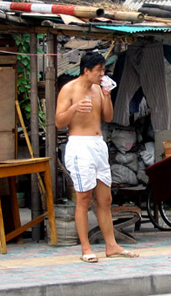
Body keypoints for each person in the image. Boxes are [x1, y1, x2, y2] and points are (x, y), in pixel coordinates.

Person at [56, 51, 139, 263]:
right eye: (99, 70)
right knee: (84, 198)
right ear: (86, 70)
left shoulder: (97, 89)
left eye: (103, 70)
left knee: (106, 199)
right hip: (79, 146)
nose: (102, 74)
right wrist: (74, 108)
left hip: (98, 145)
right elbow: (59, 122)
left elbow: (108, 117)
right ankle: (85, 247)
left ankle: (111, 245)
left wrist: (107, 95)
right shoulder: (69, 89)